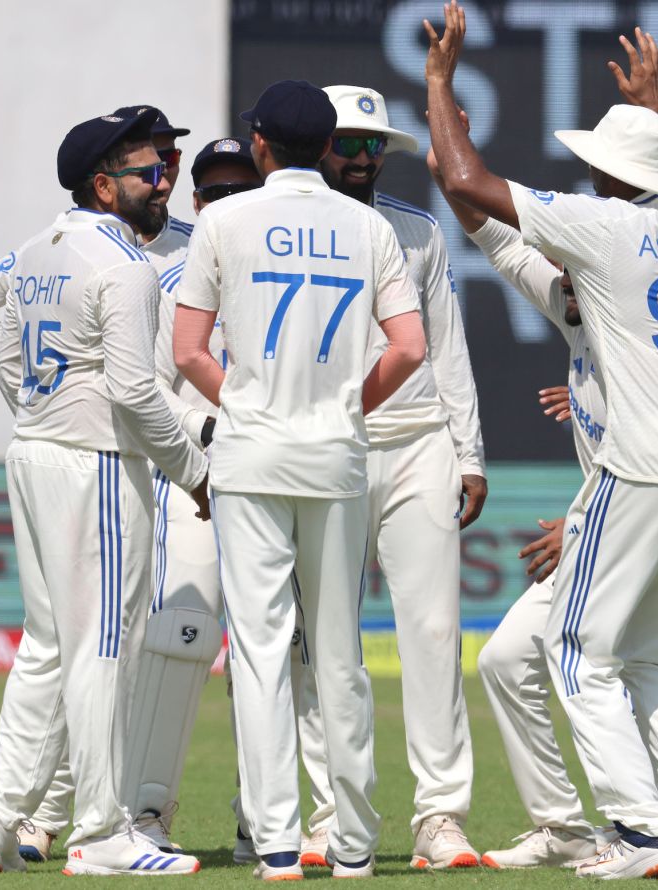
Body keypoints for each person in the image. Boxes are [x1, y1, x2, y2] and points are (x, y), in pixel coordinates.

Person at [427, 7, 658, 878]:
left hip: (649, 462)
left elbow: (469, 184)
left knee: (577, 651)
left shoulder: (605, 228)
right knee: (650, 651)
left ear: (608, 176)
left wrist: (437, 88)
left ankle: (642, 833)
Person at [173, 79, 424, 882]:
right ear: (325, 147)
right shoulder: (366, 225)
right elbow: (410, 348)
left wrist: (243, 402)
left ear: (259, 146)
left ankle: (277, 841)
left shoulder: (222, 220)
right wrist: (350, 403)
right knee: (340, 654)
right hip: (336, 454)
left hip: (252, 453)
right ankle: (352, 843)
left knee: (260, 651)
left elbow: (186, 351)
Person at [0, 108, 208, 875]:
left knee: (46, 648)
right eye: (147, 171)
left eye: (162, 168)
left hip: (34, 456)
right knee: (100, 647)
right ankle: (102, 834)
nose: (163, 181)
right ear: (104, 184)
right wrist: (197, 474)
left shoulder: (37, 249)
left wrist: (29, 388)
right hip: (96, 463)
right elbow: (134, 391)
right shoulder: (123, 264)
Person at [289, 83, 485, 870]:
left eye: (376, 146)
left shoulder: (419, 231)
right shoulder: (288, 231)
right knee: (327, 639)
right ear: (319, 146)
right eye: (350, 143)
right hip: (327, 445)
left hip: (417, 443)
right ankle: (331, 810)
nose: (366, 158)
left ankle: (441, 818)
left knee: (435, 632)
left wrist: (468, 451)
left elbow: (445, 348)